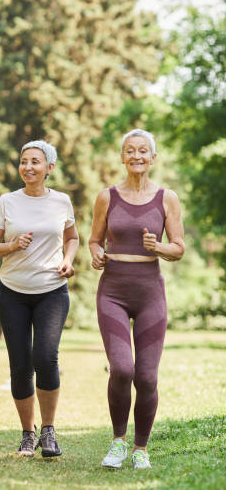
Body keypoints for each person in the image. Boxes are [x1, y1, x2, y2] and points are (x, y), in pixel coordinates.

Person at [88, 129, 185, 470]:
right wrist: (97, 254)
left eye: (143, 151)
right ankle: (118, 442)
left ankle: (141, 448)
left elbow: (178, 247)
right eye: (130, 151)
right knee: (122, 368)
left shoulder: (166, 198)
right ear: (122, 156)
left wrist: (158, 247)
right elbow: (94, 240)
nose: (137, 156)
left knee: (147, 377)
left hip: (150, 294)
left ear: (153, 158)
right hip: (112, 291)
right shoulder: (107, 197)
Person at [0, 140, 79, 458]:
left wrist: (68, 259)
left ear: (49, 168)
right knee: (20, 365)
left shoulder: (62, 201)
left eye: (35, 162)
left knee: (46, 356)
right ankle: (27, 434)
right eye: (24, 161)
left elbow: (73, 237)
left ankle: (49, 432)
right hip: (12, 293)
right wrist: (11, 245)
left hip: (52, 290)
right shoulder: (7, 202)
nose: (28, 167)